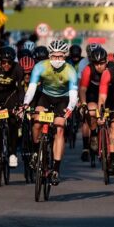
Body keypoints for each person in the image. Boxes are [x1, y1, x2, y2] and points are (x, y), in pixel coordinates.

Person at [22, 40, 78, 186]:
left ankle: (56, 170)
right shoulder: (40, 66)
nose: (57, 60)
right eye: (54, 56)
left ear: (65, 57)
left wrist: (70, 109)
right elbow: (32, 88)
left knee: (59, 127)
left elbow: (73, 95)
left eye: (60, 57)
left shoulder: (70, 70)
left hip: (63, 98)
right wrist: (25, 104)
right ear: (49, 55)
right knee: (37, 122)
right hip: (45, 96)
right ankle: (35, 152)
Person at [77, 47, 108, 162]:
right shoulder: (88, 70)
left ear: (106, 61)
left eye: (101, 63)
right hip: (92, 95)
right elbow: (83, 89)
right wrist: (83, 103)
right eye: (96, 64)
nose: (99, 66)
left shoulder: (111, 69)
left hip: (108, 96)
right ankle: (94, 134)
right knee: (91, 112)